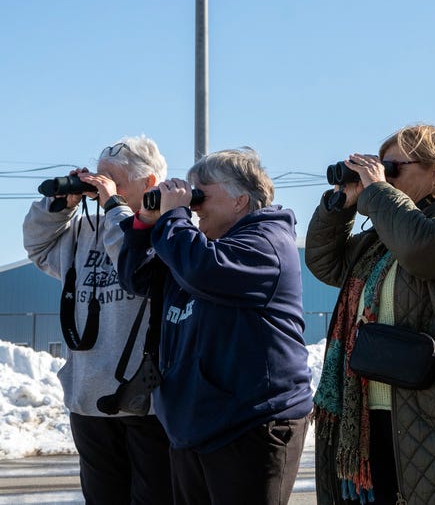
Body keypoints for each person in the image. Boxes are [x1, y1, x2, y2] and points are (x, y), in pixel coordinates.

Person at [306, 125, 435, 505]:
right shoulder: (386, 232)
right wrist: (340, 206)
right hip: (372, 414)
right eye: (379, 169)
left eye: (393, 168)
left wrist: (379, 194)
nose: (382, 177)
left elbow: (429, 250)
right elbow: (325, 262)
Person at [116, 147, 311, 505]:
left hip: (251, 424)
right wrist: (144, 224)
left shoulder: (267, 243)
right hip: (195, 425)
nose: (193, 203)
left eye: (201, 192)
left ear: (240, 199)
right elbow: (138, 280)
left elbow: (203, 269)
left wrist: (175, 215)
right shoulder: (200, 247)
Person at [22, 136, 173, 505]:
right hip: (89, 399)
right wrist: (60, 206)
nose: (100, 186)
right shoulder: (85, 230)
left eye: (113, 180)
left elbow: (137, 266)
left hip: (147, 403)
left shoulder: (169, 231)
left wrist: (115, 208)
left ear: (149, 183)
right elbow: (38, 246)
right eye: (98, 178)